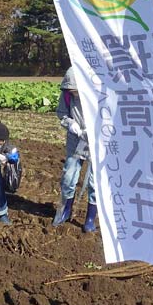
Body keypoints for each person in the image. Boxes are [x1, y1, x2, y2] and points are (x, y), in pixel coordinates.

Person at [52, 67, 98, 232]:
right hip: (75, 139)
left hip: (96, 142)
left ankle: (90, 219)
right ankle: (65, 211)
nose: (73, 94)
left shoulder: (98, 94)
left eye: (75, 91)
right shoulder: (66, 94)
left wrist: (94, 130)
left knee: (95, 182)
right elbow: (61, 113)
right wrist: (70, 124)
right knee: (68, 177)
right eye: (70, 91)